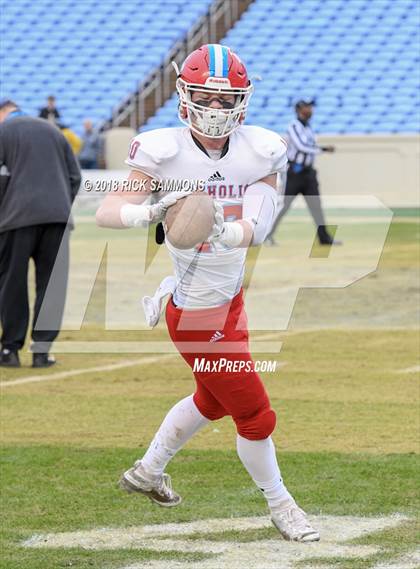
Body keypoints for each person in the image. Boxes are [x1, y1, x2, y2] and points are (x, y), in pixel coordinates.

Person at [96, 45, 320, 542]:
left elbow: (257, 226)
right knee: (255, 413)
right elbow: (106, 210)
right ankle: (282, 504)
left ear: (242, 102)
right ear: (185, 95)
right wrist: (148, 213)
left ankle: (148, 472)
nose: (216, 110)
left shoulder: (260, 148)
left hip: (228, 299)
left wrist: (223, 231)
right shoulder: (161, 149)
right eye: (205, 97)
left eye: (226, 100)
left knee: (212, 400)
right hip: (197, 312)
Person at [0, 100, 81, 368]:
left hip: (15, 219)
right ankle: (42, 352)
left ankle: (9, 350)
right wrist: (60, 205)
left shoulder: (4, 131)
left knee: (12, 283)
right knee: (52, 285)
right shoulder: (54, 131)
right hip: (57, 217)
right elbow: (75, 176)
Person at [266, 98, 340, 246]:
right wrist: (323, 149)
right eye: (307, 107)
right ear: (300, 109)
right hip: (295, 173)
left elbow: (309, 146)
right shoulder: (293, 126)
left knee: (316, 205)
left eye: (311, 107)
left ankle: (324, 238)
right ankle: (267, 235)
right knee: (284, 206)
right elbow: (301, 146)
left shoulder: (309, 128)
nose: (310, 110)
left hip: (308, 173)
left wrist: (319, 149)